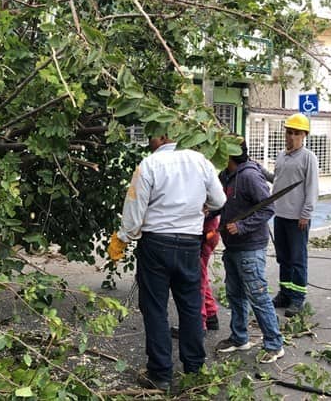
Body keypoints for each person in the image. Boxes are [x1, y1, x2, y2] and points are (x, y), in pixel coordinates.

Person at [107, 134, 226, 391]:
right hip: (189, 245)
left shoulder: (149, 165)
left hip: (156, 245)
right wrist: (200, 207)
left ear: (162, 137)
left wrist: (123, 237)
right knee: (191, 307)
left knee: (155, 309)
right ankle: (194, 369)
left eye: (151, 135)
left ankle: (160, 374)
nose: (149, 140)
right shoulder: (201, 161)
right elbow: (219, 201)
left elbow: (135, 209)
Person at [214, 139, 284, 363]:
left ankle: (274, 344)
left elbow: (268, 208)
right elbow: (219, 203)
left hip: (250, 248)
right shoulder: (225, 176)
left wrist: (242, 226)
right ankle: (239, 338)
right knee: (235, 294)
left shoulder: (249, 176)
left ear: (230, 154)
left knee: (258, 295)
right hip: (231, 246)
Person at [271, 113, 319, 317]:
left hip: (297, 218)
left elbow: (312, 188)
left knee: (298, 259)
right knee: (283, 258)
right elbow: (278, 180)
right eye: (288, 132)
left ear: (304, 135)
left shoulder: (308, 158)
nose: (290, 137)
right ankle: (285, 293)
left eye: (295, 133)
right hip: (280, 215)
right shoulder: (282, 156)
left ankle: (297, 299)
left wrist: (305, 214)